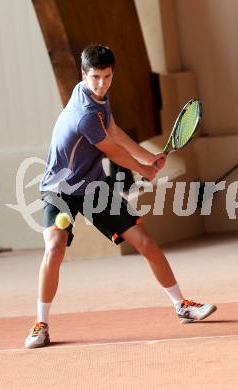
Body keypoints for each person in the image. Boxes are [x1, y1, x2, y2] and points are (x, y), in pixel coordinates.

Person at [25, 45, 216, 348]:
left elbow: (114, 131)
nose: (102, 83)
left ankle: (183, 306)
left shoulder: (98, 97)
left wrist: (149, 158)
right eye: (96, 78)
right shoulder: (84, 112)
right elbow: (112, 151)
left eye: (107, 76)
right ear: (83, 74)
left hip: (92, 187)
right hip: (59, 188)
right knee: (55, 248)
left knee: (145, 241)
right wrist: (144, 168)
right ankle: (41, 324)